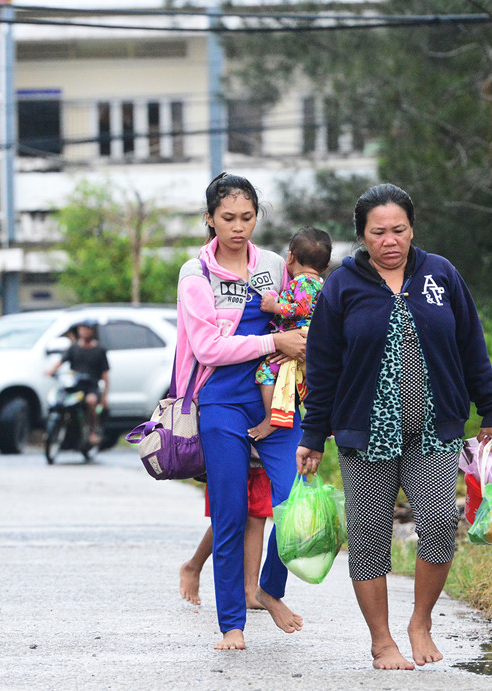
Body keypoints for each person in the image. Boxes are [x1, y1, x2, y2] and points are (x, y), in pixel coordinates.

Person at [295, 183, 492, 670]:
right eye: (378, 232)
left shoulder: (441, 274)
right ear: (361, 236)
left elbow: (471, 344)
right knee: (369, 535)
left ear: (412, 229)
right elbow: (323, 366)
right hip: (364, 432)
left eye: (399, 229)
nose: (389, 240)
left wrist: (491, 411)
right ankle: (381, 640)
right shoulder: (341, 286)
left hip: (434, 428)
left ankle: (421, 622)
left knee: (439, 523)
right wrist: (313, 434)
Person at [174, 172, 308, 651]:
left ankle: (268, 588)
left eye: (247, 217)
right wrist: (275, 342)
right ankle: (232, 624)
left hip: (279, 400)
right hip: (222, 401)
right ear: (210, 219)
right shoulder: (196, 274)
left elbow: (298, 315)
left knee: (294, 506)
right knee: (230, 514)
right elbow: (208, 347)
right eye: (227, 217)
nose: (238, 227)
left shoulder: (272, 264)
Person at [248, 226, 332, 440]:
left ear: (291, 257)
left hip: (295, 339)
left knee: (265, 372)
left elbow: (300, 308)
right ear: (326, 266)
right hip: (310, 342)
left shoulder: (303, 282)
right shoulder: (321, 284)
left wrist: (274, 307)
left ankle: (272, 419)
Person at [179, 451, 272, 611]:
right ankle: (193, 566)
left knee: (257, 516)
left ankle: (250, 591)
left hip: (261, 454)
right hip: (228, 451)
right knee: (230, 516)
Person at [46, 320, 108, 446]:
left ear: (92, 331)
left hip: (90, 387)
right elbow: (60, 362)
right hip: (74, 385)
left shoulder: (99, 350)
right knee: (57, 400)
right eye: (82, 328)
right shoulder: (73, 348)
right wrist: (51, 371)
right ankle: (51, 430)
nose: (84, 331)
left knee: (91, 401)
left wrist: (104, 395)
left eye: (87, 328)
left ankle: (92, 432)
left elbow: (105, 374)